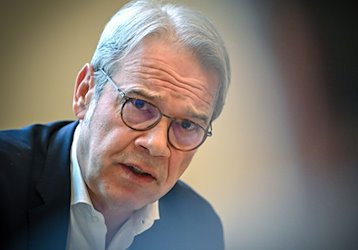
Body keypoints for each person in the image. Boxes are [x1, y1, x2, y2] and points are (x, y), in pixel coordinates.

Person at [0, 0, 230, 249]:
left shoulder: (198, 227)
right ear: (85, 92)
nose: (156, 145)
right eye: (140, 105)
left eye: (187, 125)